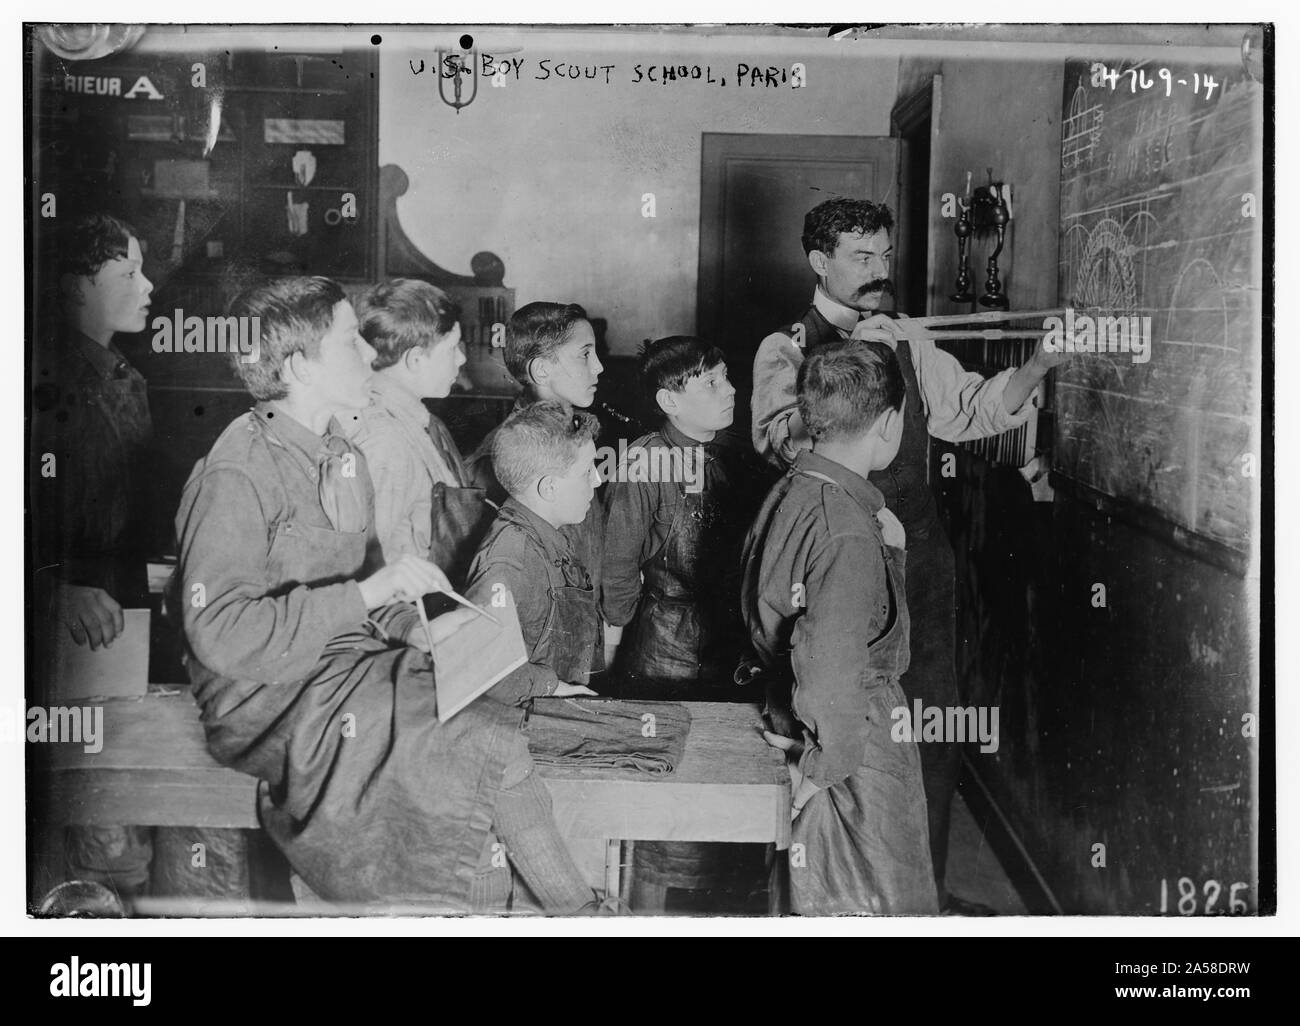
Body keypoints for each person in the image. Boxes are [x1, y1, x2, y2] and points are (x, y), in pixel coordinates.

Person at [175, 276, 597, 913]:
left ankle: (564, 913)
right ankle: (562, 913)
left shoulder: (342, 455)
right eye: (351, 344)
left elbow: (374, 591)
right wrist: (373, 594)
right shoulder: (239, 466)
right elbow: (221, 632)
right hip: (263, 694)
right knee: (476, 749)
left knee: (495, 731)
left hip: (340, 670)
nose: (372, 357)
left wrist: (426, 629)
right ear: (299, 367)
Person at [750, 197, 1064, 913]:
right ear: (818, 261)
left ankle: (921, 896)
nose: (879, 271)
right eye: (861, 258)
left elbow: (974, 411)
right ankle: (843, 907)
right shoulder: (786, 346)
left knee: (928, 729)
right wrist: (854, 364)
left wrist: (1042, 361)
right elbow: (784, 443)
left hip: (919, 565)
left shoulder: (908, 336)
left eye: (884, 256)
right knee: (842, 729)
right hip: (840, 566)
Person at [742, 340, 937, 915]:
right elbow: (831, 667)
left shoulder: (795, 488)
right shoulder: (847, 531)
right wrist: (822, 770)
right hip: (853, 738)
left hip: (800, 713)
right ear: (889, 423)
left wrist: (890, 555)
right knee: (879, 900)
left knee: (814, 892)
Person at [600, 335, 768, 910]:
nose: (731, 391)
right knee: (664, 810)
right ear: (669, 401)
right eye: (712, 384)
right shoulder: (642, 463)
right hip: (664, 652)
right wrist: (609, 661)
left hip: (731, 648)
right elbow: (618, 572)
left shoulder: (736, 456)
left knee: (728, 804)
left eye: (727, 378)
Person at [31, 212, 156, 903]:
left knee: (116, 829)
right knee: (84, 837)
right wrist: (53, 589)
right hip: (60, 640)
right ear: (75, 287)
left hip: (113, 633)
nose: (148, 285)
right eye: (127, 274)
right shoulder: (39, 377)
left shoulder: (123, 377)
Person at [467, 302, 608, 680]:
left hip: (580, 644)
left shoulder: (579, 436)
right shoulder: (498, 458)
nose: (599, 367)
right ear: (541, 369)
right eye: (584, 354)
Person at [340, 278, 495, 586]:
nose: (462, 359)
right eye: (453, 349)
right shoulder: (385, 440)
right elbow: (364, 568)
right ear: (415, 360)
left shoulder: (420, 422)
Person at [466, 401, 605, 702]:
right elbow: (477, 666)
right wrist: (550, 686)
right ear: (549, 488)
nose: (598, 479)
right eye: (586, 472)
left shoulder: (546, 535)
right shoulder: (512, 559)